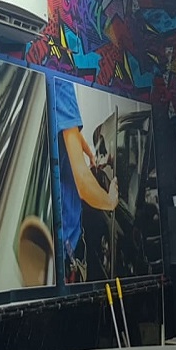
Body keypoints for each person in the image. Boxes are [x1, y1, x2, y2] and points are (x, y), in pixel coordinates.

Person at [54, 78, 119, 283]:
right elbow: (83, 183)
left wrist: (83, 147)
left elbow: (62, 128)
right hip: (67, 252)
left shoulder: (43, 84)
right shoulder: (61, 85)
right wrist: (110, 201)